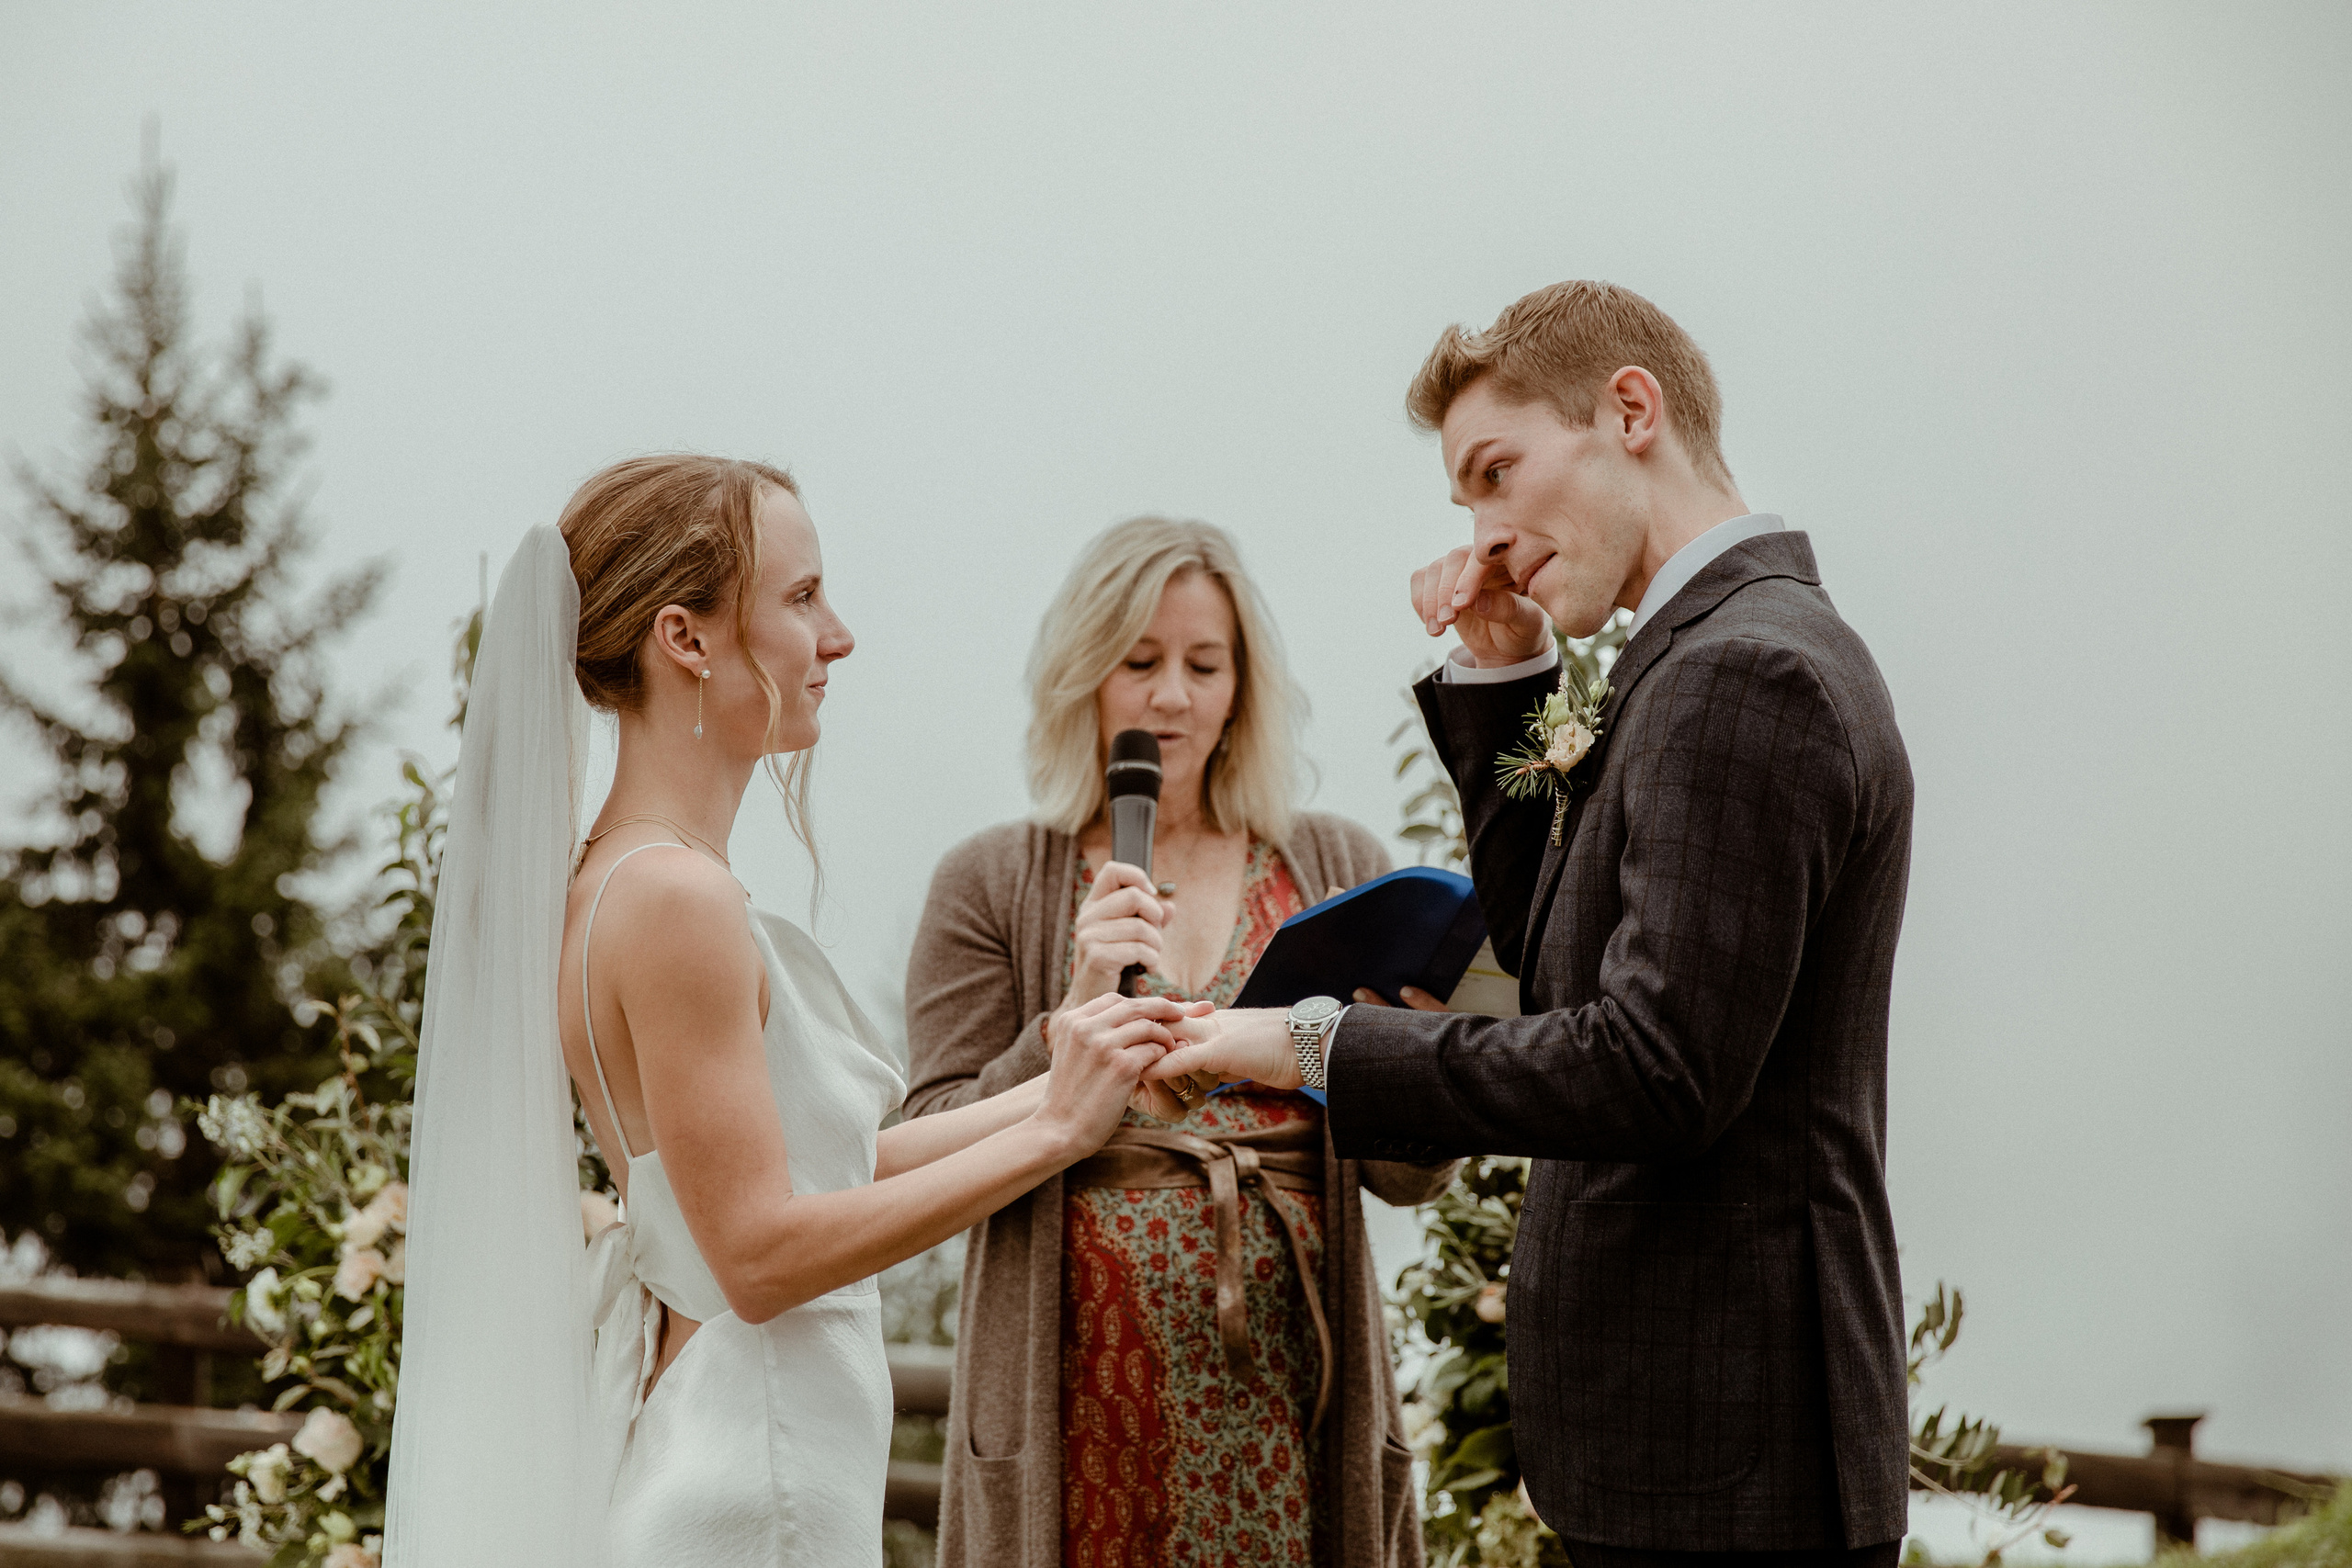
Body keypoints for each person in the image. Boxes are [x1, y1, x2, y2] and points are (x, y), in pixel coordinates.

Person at [1148, 283, 1917, 1566]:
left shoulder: (1744, 672)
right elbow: (1557, 972)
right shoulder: (1701, 654)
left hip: (1732, 1468)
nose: (1485, 539)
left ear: (1630, 412)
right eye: (1466, 506)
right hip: (1684, 1458)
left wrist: (1308, 1043)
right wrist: (1505, 670)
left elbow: (1654, 1069)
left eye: (1496, 475)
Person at [385, 457, 1193, 1568]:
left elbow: (825, 1167)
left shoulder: (619, 880)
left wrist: (1074, 1069)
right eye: (803, 598)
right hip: (752, 1485)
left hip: (741, 1449)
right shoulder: (676, 901)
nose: (839, 637)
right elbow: (758, 1257)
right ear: (686, 638)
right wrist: (1057, 1133)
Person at [904, 516, 1459, 1568]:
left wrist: (1425, 1073)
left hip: (1297, 1401)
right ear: (1083, 677)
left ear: (1241, 688)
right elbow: (929, 1142)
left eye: (1204, 666)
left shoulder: (1336, 861)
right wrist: (1067, 1018)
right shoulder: (988, 881)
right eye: (1139, 662)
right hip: (1076, 1411)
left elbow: (1403, 1180)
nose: (1172, 696)